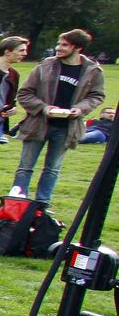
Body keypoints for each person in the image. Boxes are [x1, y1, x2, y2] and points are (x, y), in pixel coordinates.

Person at [11, 29, 107, 204]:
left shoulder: (93, 71)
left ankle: (42, 205)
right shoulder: (45, 66)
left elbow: (97, 96)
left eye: (64, 45)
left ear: (78, 48)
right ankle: (16, 203)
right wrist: (43, 107)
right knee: (25, 167)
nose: (58, 48)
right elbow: (24, 93)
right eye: (58, 44)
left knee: (52, 169)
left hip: (66, 128)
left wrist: (80, 109)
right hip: (38, 124)